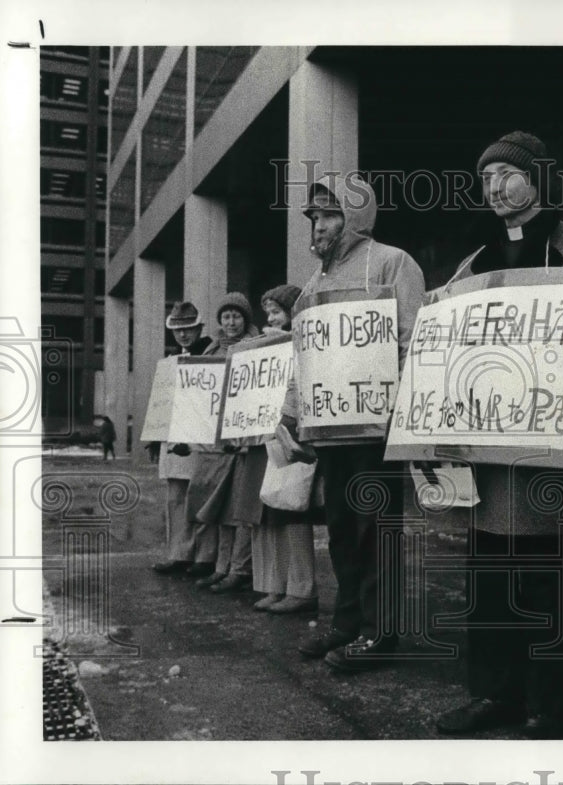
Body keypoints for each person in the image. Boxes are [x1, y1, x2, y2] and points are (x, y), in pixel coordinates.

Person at [434, 131, 563, 739]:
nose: (494, 188)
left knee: (541, 573)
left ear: (538, 177)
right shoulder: (472, 266)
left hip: (547, 447)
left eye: (506, 176)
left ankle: (551, 704)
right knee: (486, 572)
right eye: (486, 178)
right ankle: (495, 694)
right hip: (486, 456)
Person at [280, 173, 425, 670]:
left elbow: (413, 340)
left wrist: (404, 415)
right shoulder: (316, 282)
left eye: (327, 214)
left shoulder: (392, 262)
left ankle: (378, 632)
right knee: (341, 528)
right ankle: (346, 622)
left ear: (353, 215)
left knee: (375, 528)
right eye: (314, 216)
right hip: (332, 430)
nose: (316, 225)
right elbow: (303, 355)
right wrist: (292, 412)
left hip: (376, 428)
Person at [250, 284, 320, 614]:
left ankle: (303, 589)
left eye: (277, 312)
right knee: (280, 507)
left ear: (292, 313)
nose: (272, 319)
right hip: (277, 431)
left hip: (297, 433)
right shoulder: (272, 347)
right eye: (269, 313)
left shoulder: (304, 343)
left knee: (296, 507)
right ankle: (285, 587)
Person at [188, 292, 261, 593]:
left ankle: (239, 568)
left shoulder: (257, 347)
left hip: (242, 439)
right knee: (217, 508)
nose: (231, 322)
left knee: (240, 509)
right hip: (215, 444)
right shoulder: (210, 350)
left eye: (237, 316)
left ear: (246, 319)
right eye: (226, 317)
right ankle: (221, 566)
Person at [151, 301, 219, 577]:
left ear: (199, 328)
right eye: (178, 330)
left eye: (188, 329)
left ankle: (204, 556)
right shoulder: (170, 361)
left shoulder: (212, 356)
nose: (183, 335)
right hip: (173, 435)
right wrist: (155, 437)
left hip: (200, 434)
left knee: (200, 494)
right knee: (176, 497)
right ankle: (178, 552)